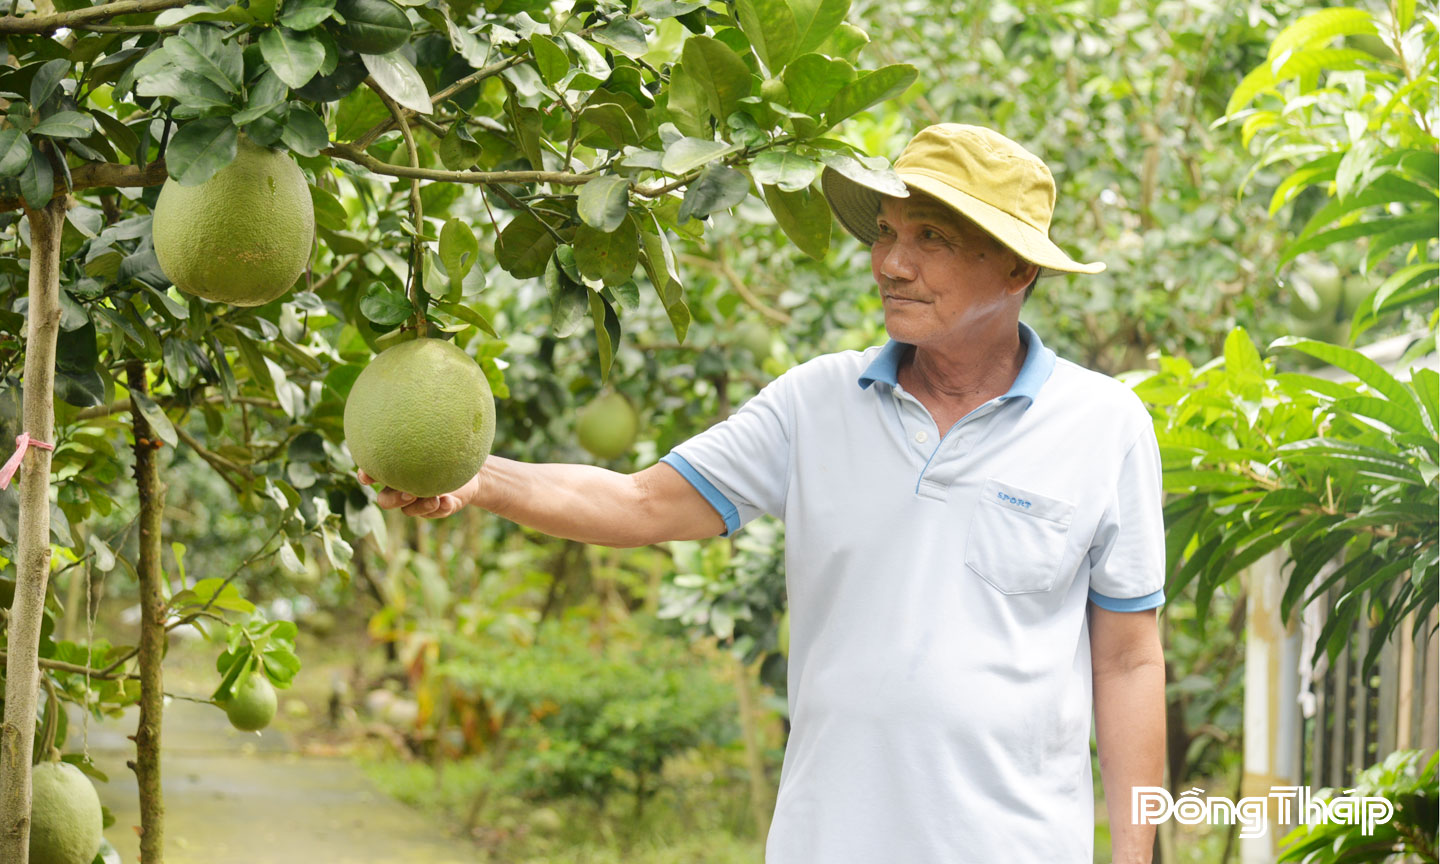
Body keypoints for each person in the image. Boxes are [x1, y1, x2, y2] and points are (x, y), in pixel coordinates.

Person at [361, 124, 1166, 863]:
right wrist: (479, 479)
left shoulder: (1104, 426)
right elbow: (641, 503)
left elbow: (1128, 661)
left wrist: (1138, 856)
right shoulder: (817, 404)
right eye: (885, 232)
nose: (891, 262)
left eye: (932, 238)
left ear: (1017, 266)